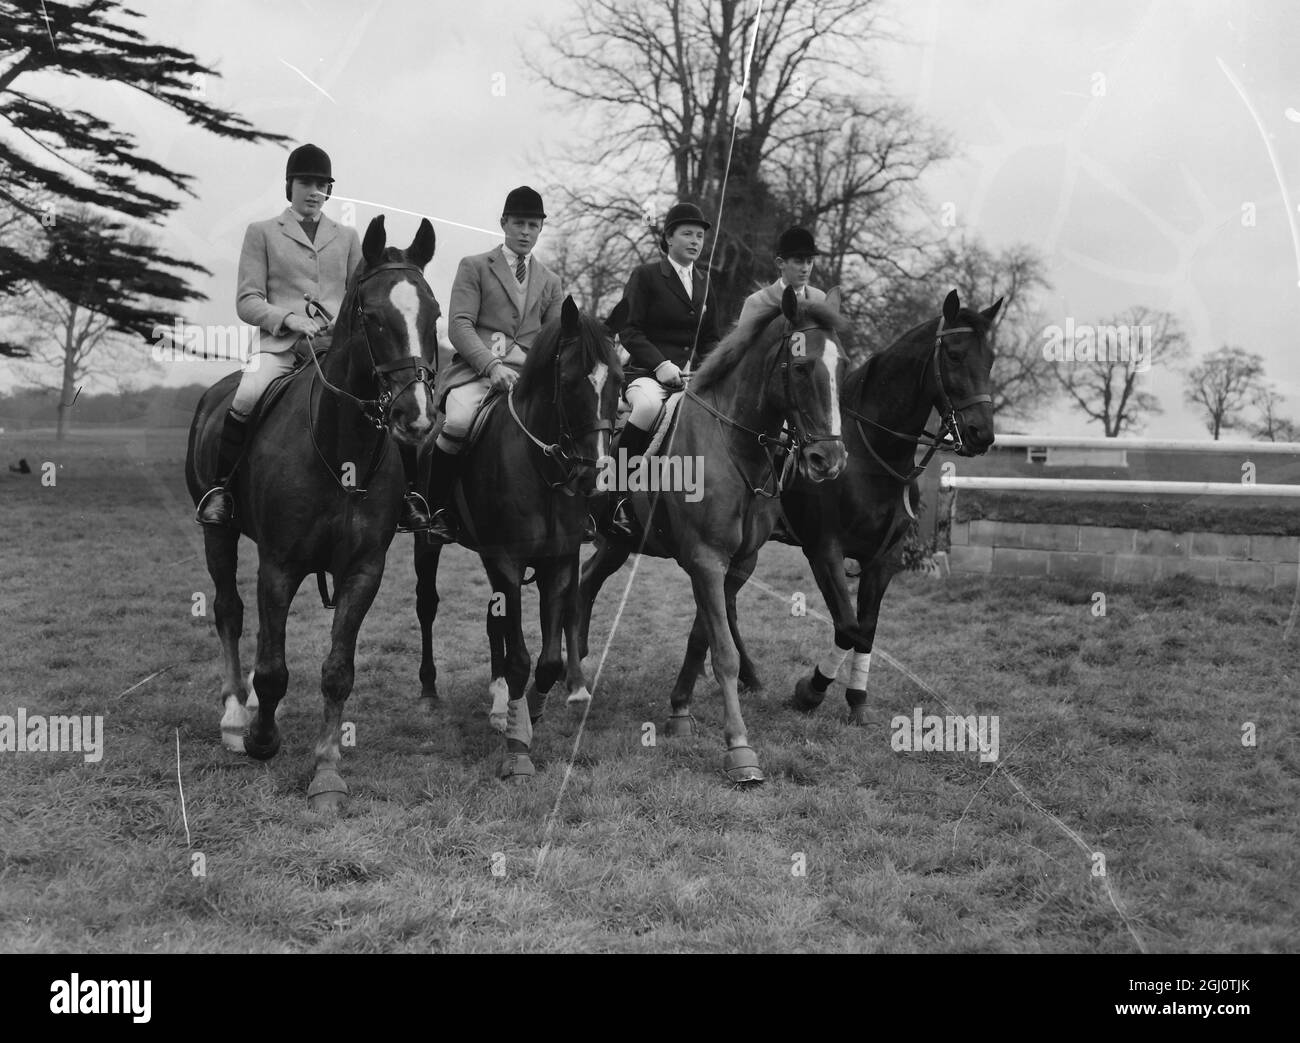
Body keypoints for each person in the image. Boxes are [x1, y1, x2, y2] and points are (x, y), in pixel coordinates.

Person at [195, 143, 432, 532]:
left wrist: (342, 325)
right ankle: (221, 491)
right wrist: (288, 319)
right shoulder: (263, 233)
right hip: (282, 347)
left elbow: (363, 295)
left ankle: (407, 497)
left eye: (321, 184)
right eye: (305, 182)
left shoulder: (348, 237)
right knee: (247, 394)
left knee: (392, 398)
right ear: (290, 186)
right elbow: (246, 300)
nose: (313, 190)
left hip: (335, 349)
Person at [424, 186, 564, 543]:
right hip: (477, 372)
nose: (525, 232)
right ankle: (436, 509)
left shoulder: (550, 281)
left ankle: (576, 513)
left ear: (540, 229)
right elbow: (459, 325)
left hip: (528, 379)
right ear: (503, 222)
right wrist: (491, 366)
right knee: (457, 421)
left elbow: (557, 337)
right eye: (518, 223)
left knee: (569, 425)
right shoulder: (474, 266)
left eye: (533, 225)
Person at [608, 201, 721, 535]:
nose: (695, 241)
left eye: (699, 236)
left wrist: (710, 371)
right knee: (646, 409)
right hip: (646, 375)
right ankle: (617, 498)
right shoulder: (645, 276)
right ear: (669, 238)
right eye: (687, 234)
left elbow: (711, 338)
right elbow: (629, 330)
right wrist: (660, 365)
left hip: (692, 379)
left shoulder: (704, 282)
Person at [736, 225, 827, 328]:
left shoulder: (821, 299)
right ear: (780, 263)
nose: (805, 269)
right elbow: (742, 343)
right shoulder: (757, 302)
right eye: (798, 262)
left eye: (809, 262)